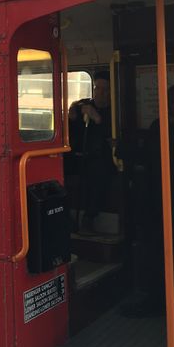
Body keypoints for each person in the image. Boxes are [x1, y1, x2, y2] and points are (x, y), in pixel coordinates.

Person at [122, 84, 174, 316]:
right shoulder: (158, 126)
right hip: (159, 200)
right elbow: (148, 160)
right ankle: (159, 300)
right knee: (158, 253)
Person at [68, 70, 115, 234]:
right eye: (97, 88)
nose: (100, 93)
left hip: (102, 158)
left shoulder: (115, 110)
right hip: (79, 155)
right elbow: (71, 131)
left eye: (105, 89)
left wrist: (98, 119)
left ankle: (89, 217)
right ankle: (67, 215)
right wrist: (71, 116)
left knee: (99, 173)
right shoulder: (83, 105)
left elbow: (112, 136)